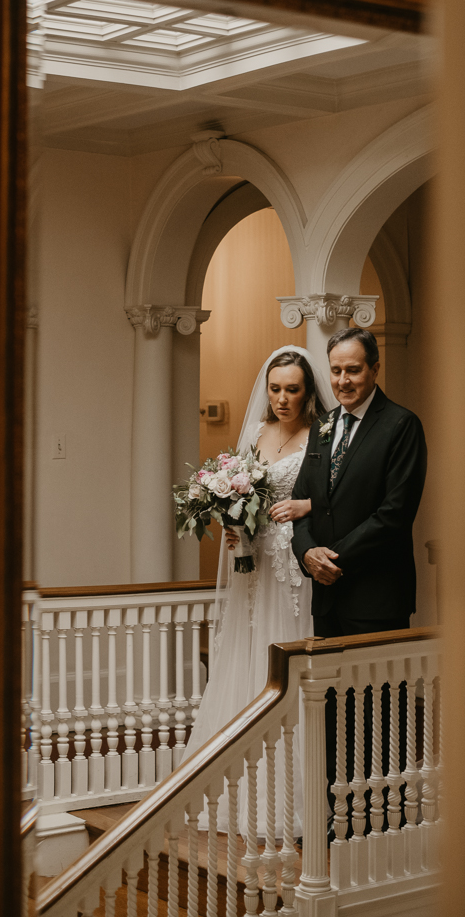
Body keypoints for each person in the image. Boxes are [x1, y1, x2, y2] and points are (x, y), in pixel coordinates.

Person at [183, 345, 334, 834]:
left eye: (293, 389)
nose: (283, 398)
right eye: (275, 389)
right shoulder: (254, 433)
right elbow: (241, 494)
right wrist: (234, 525)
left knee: (286, 660)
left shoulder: (323, 436)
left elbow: (333, 498)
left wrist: (305, 508)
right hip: (254, 567)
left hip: (293, 567)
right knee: (246, 659)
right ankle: (234, 792)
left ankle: (293, 799)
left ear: (309, 390)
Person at [290, 326, 427, 832]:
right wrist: (307, 554)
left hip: (375, 595)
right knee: (329, 713)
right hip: (326, 597)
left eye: (354, 369)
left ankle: (376, 824)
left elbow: (394, 515)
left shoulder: (401, 426)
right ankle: (333, 820)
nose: (344, 380)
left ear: (374, 369)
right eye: (337, 371)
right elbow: (303, 505)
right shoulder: (324, 427)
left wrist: (334, 556)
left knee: (375, 714)